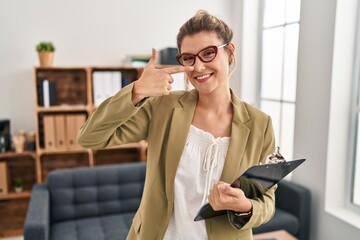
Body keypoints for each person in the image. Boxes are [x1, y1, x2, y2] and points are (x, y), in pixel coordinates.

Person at [77, 9, 276, 240]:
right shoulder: (163, 107)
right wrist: (137, 90)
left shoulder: (260, 125)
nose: (198, 67)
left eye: (208, 53)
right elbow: (89, 137)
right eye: (189, 58)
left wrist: (246, 207)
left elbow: (267, 201)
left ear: (230, 52)